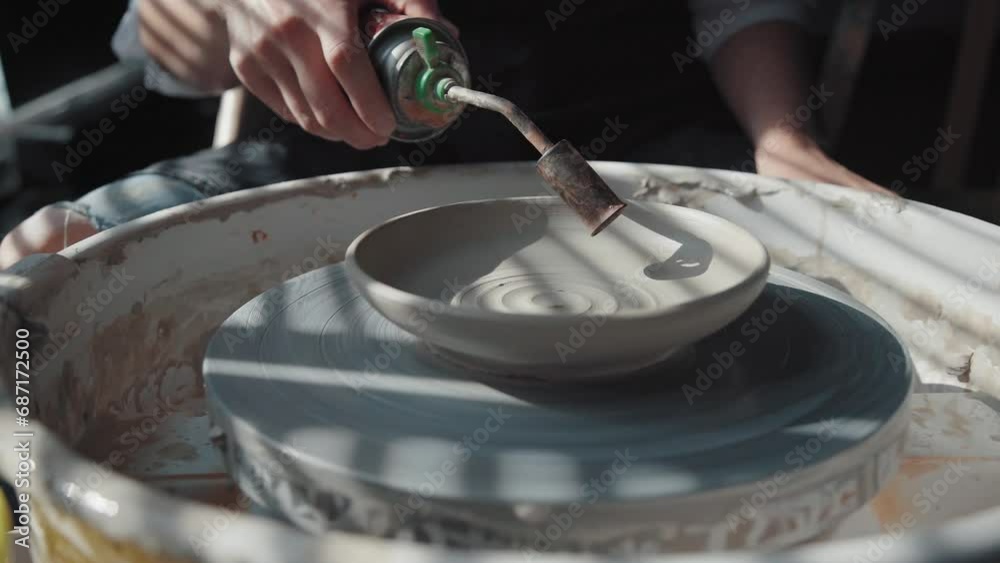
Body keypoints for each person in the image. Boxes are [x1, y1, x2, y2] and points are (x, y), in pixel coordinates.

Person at [0, 0, 888, 269]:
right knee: (51, 261)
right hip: (351, 154)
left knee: (851, 257)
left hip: (641, 137)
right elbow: (166, 43)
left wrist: (786, 143)